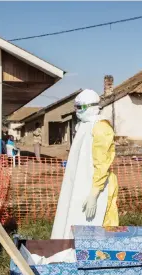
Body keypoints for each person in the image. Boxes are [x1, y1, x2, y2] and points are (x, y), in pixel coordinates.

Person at [51, 89, 119, 239]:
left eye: (80, 107)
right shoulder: (82, 126)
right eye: (76, 107)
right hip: (78, 185)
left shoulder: (101, 127)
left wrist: (94, 194)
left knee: (95, 227)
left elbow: (102, 163)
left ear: (92, 106)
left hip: (95, 188)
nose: (77, 111)